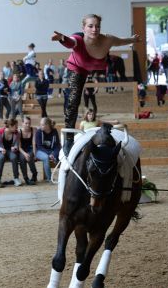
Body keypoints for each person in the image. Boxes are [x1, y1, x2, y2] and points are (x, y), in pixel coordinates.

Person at [51, 13, 140, 155]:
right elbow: (70, 42)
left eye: (97, 26)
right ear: (84, 28)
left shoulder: (107, 39)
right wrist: (62, 38)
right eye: (90, 26)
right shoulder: (78, 40)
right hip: (78, 68)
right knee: (73, 98)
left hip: (94, 68)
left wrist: (132, 39)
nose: (94, 29)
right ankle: (69, 139)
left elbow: (120, 41)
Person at [0, 118, 22, 187]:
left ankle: (16, 178)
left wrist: (15, 148)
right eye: (15, 127)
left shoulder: (16, 133)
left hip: (10, 151)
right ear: (10, 126)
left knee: (14, 157)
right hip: (1, 150)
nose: (17, 128)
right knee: (1, 158)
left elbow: (16, 144)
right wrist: (1, 149)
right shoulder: (0, 132)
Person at [35, 117, 61, 182]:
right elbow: (39, 146)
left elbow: (57, 145)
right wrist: (49, 154)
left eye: (42, 125)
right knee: (46, 157)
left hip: (51, 151)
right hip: (40, 151)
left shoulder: (54, 131)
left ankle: (62, 177)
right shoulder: (39, 132)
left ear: (47, 125)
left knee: (60, 157)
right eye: (40, 124)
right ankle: (49, 179)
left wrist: (54, 154)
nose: (40, 126)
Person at [19, 116, 38, 185]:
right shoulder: (19, 132)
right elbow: (19, 146)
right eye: (26, 123)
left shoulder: (34, 130)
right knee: (22, 158)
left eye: (29, 123)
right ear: (22, 123)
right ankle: (26, 178)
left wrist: (34, 153)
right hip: (22, 149)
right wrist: (24, 154)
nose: (28, 125)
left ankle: (34, 173)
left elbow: (34, 143)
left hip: (30, 148)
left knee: (30, 156)